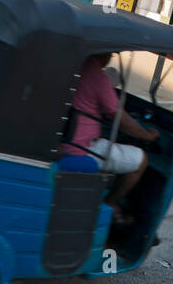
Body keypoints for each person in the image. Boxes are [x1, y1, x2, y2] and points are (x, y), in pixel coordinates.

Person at [61, 53, 160, 222]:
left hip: (61, 143)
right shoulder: (97, 77)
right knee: (140, 160)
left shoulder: (72, 63)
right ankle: (109, 204)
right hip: (81, 149)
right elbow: (120, 118)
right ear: (105, 54)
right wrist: (147, 135)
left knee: (111, 147)